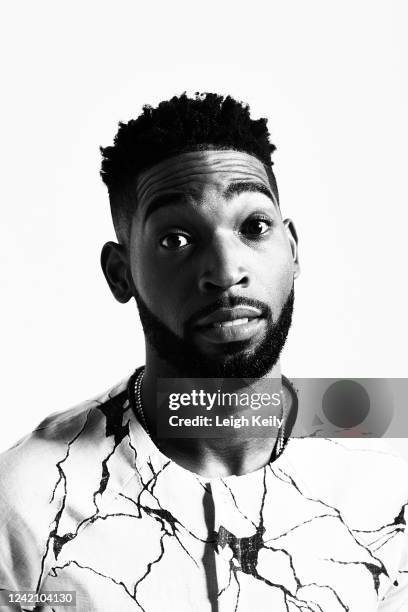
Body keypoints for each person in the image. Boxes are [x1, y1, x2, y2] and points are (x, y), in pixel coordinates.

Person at [0, 92, 407, 611]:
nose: (225, 270)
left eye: (254, 227)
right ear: (120, 274)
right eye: (175, 239)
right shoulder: (26, 508)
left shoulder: (383, 494)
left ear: (293, 248)